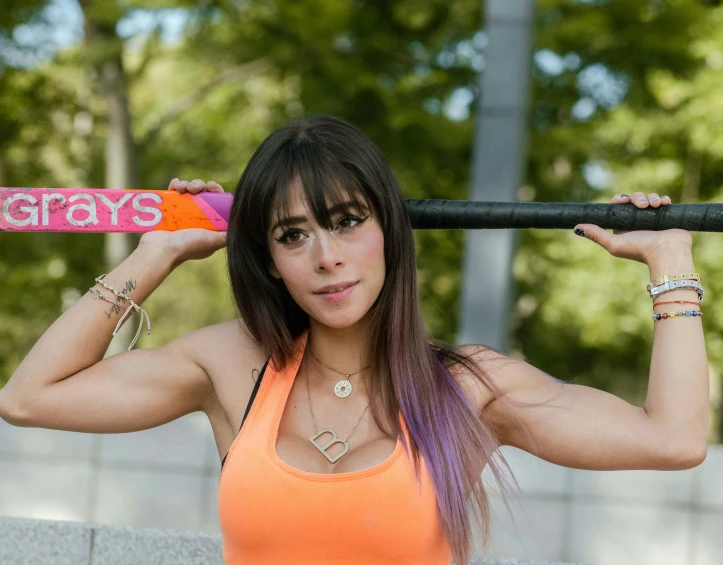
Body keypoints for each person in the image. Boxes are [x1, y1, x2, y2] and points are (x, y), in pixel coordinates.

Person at [0, 115, 708, 565]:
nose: (325, 257)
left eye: (344, 221)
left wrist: (669, 265)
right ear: (270, 259)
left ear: (387, 233)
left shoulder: (469, 388)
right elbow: (30, 397)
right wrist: (155, 254)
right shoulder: (232, 365)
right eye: (292, 234)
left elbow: (672, 439)